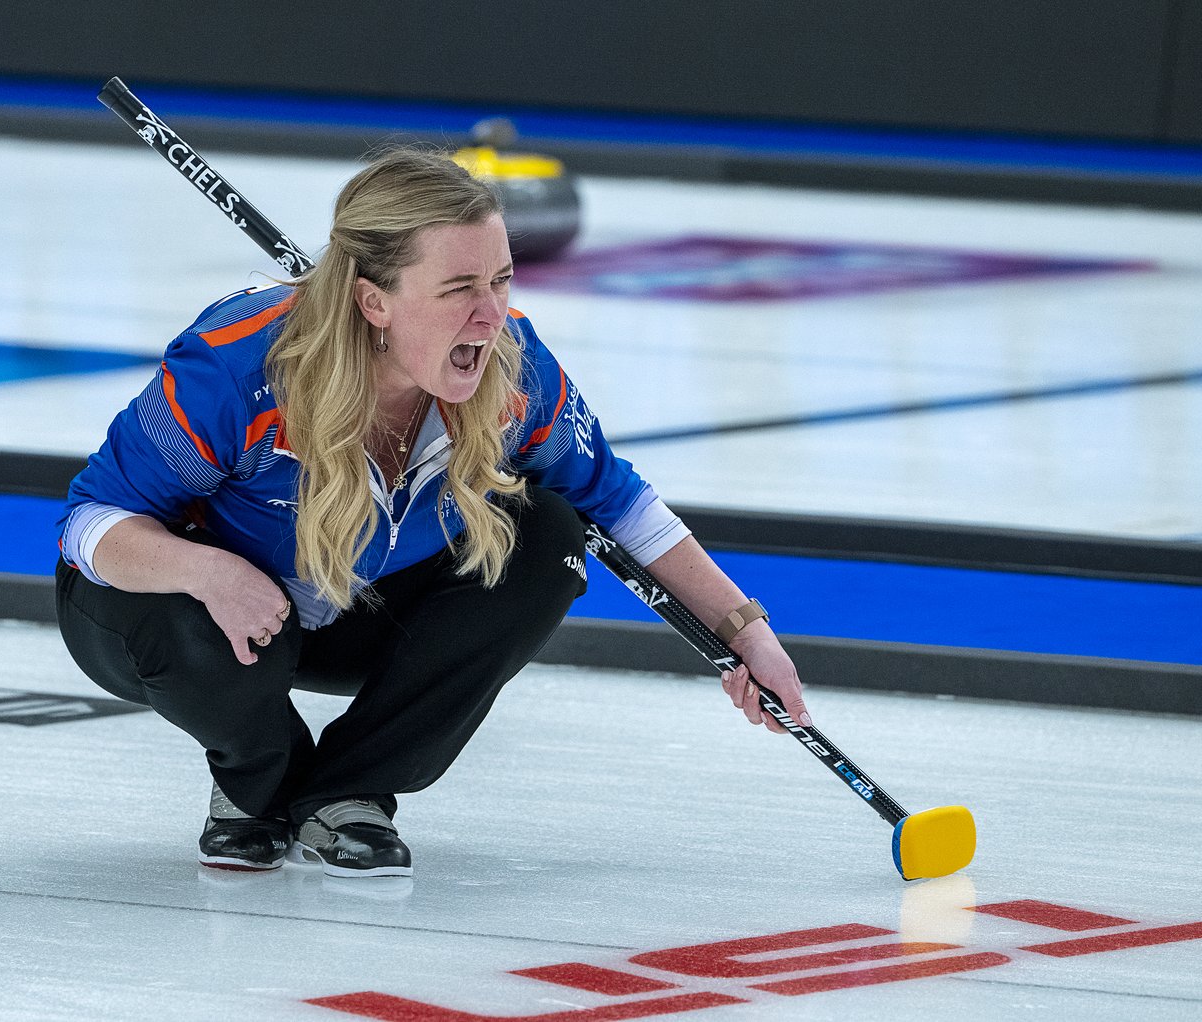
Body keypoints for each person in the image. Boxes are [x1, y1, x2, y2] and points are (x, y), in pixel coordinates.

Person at [55, 148, 811, 879]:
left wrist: (746, 632)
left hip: (360, 611)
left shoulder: (515, 369)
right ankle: (258, 777)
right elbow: (92, 523)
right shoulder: (238, 368)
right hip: (189, 618)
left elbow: (622, 508)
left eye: (501, 280)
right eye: (458, 289)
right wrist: (207, 572)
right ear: (373, 300)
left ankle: (348, 792)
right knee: (187, 623)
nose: (490, 315)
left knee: (548, 533)